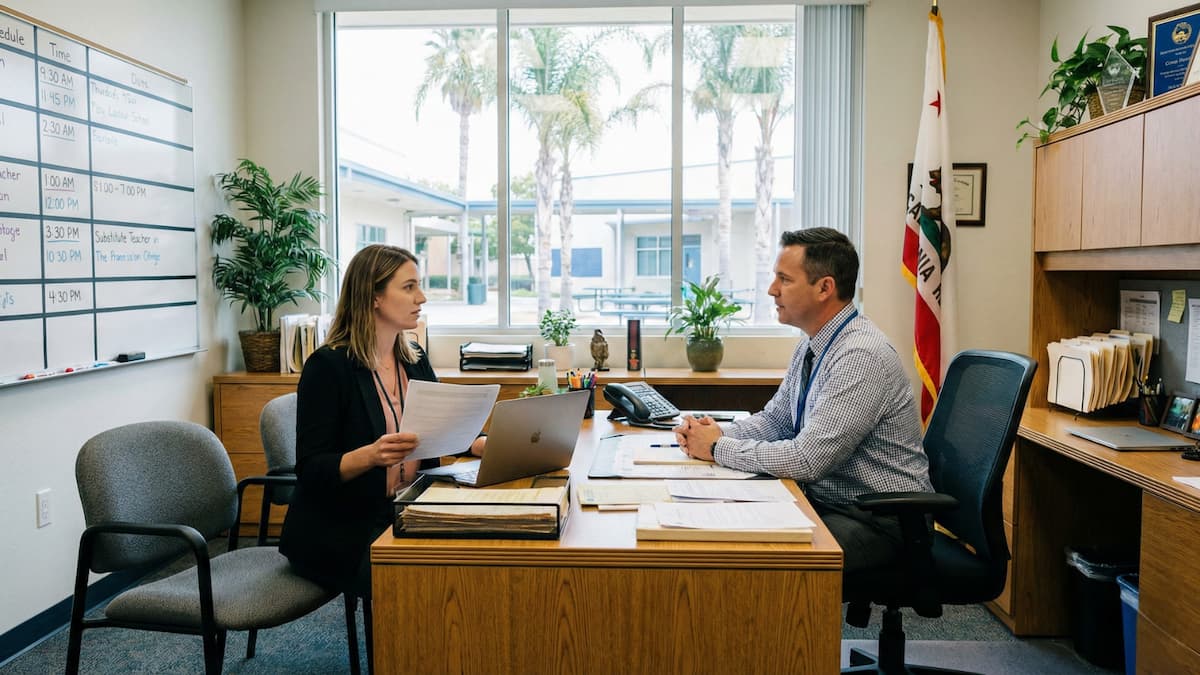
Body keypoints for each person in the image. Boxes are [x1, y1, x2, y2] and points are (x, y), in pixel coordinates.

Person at [673, 227, 932, 572]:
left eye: (784, 279)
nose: (772, 290)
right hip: (833, 503)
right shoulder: (813, 341)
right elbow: (777, 420)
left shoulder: (860, 355)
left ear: (825, 288)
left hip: (882, 522)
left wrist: (718, 448)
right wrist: (715, 432)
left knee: (750, 559)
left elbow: (808, 460)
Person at [280, 244, 486, 594]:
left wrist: (483, 443)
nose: (421, 297)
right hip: (346, 525)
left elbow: (440, 428)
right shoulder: (328, 367)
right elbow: (312, 471)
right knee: (432, 578)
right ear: (374, 296)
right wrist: (372, 456)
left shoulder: (414, 358)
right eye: (408, 287)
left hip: (412, 504)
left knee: (482, 555)